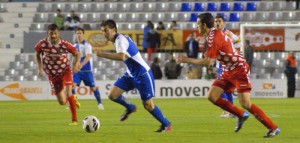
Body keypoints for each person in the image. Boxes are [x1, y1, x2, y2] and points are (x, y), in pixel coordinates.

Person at [177, 13, 280, 138]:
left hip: (239, 70)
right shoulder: (214, 33)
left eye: (198, 23)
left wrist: (186, 59)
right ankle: (241, 115)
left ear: (204, 25)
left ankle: (273, 128)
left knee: (246, 104)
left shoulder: (214, 38)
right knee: (212, 96)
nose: (196, 26)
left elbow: (207, 62)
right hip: (227, 70)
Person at [96, 19, 172, 132]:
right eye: (102, 31)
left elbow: (121, 56)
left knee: (148, 105)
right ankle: (130, 107)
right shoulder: (119, 39)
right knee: (112, 95)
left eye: (106, 31)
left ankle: (166, 124)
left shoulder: (120, 40)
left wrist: (102, 54)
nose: (104, 34)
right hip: (131, 74)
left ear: (114, 30)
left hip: (142, 74)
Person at [35, 24, 81, 126]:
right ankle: (72, 99)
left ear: (58, 33)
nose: (53, 36)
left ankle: (74, 120)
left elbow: (77, 54)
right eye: (51, 33)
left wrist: (76, 64)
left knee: (69, 94)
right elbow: (37, 54)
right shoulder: (42, 44)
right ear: (48, 34)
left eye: (55, 33)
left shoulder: (64, 44)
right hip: (52, 75)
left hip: (65, 71)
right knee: (62, 102)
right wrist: (39, 68)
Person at [215, 14, 241, 118]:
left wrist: (233, 53)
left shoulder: (227, 33)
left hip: (226, 65)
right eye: (216, 21)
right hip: (220, 65)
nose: (217, 23)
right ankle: (232, 111)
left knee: (218, 89)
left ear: (223, 23)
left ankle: (229, 110)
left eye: (219, 21)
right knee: (226, 90)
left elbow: (238, 42)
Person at [72, 27, 104, 109]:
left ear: (83, 34)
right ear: (75, 34)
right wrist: (72, 66)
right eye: (77, 33)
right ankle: (73, 103)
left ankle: (100, 103)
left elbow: (88, 56)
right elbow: (74, 57)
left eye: (80, 33)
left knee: (93, 88)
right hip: (77, 71)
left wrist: (81, 65)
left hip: (87, 70)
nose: (78, 35)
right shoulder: (74, 46)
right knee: (72, 86)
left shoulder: (87, 45)